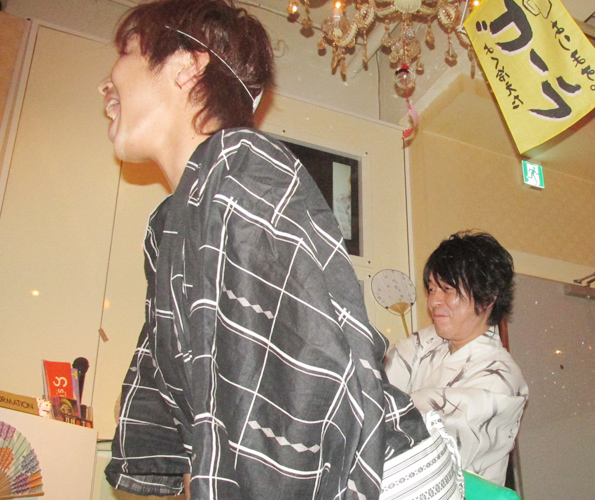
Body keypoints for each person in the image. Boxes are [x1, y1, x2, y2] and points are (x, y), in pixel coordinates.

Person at [99, 1, 461, 499]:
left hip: (382, 475)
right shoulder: (171, 223)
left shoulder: (240, 168)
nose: (106, 83)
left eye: (127, 52)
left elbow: (301, 382)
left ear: (185, 66)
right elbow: (178, 391)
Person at [385, 231, 528, 486]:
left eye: (447, 289)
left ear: (487, 297)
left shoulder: (500, 378)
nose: (433, 301)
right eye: (431, 289)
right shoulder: (427, 341)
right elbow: (375, 382)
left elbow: (424, 435)